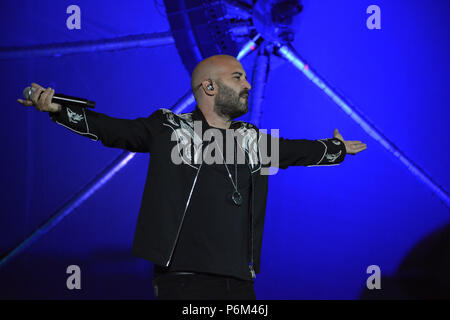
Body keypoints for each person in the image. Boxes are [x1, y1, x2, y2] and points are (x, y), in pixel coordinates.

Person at [17, 54, 367, 300]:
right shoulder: (170, 128)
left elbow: (294, 151)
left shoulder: (250, 140)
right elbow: (115, 130)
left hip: (241, 280)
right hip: (185, 279)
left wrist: (334, 148)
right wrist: (60, 110)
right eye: (238, 77)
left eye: (245, 77)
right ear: (209, 88)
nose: (248, 84)